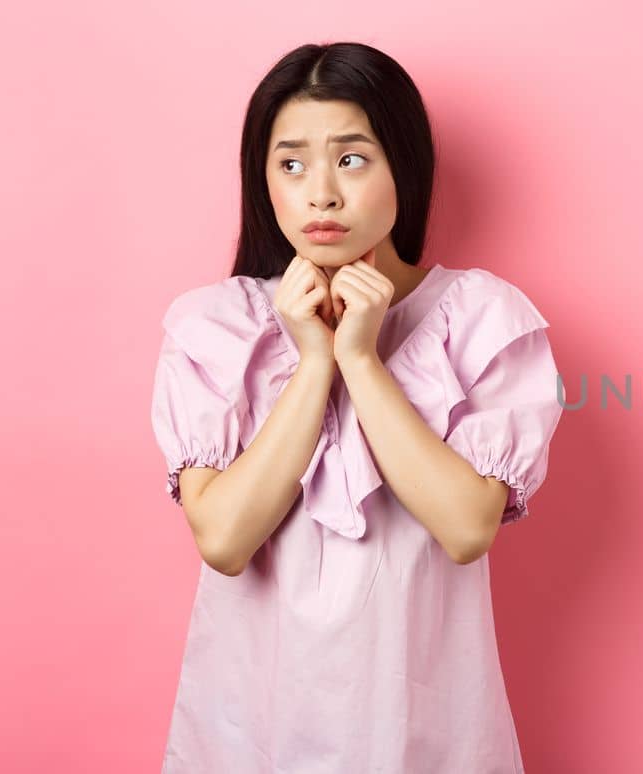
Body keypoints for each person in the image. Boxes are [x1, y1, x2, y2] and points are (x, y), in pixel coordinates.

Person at [148, 41, 562, 773]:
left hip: (423, 726)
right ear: (264, 179)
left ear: (403, 163)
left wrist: (362, 360)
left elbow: (468, 526)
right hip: (251, 726)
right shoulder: (215, 326)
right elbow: (224, 539)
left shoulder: (483, 317)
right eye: (291, 163)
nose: (322, 195)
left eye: (351, 158)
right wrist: (313, 361)